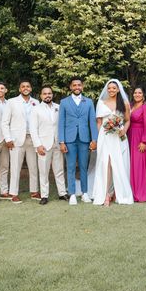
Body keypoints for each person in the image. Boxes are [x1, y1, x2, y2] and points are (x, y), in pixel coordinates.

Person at [92, 79, 133, 206]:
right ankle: (105, 195)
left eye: (113, 88)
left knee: (119, 164)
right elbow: (99, 122)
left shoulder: (124, 103)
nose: (111, 90)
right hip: (105, 137)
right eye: (109, 88)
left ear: (118, 89)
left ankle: (119, 193)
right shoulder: (101, 102)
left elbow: (127, 120)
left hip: (119, 137)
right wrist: (101, 137)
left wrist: (123, 131)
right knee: (106, 164)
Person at [57, 76, 98, 205]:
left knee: (83, 166)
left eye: (79, 85)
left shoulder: (89, 102)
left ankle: (85, 193)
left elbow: (92, 122)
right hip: (69, 139)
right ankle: (72, 194)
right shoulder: (64, 102)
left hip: (85, 139)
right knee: (70, 167)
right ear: (70, 87)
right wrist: (61, 141)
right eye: (74, 85)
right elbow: (61, 123)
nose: (77, 87)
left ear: (82, 86)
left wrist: (94, 139)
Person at [2, 79, 40, 203]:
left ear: (31, 88)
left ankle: (34, 191)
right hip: (16, 140)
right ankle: (13, 193)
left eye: (27, 86)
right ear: (19, 89)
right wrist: (8, 139)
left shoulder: (36, 102)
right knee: (15, 167)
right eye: (23, 86)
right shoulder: (12, 102)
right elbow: (5, 122)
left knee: (33, 167)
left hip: (32, 139)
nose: (25, 88)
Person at [29, 86, 69, 205]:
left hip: (57, 143)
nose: (47, 95)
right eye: (45, 94)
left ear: (52, 95)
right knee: (44, 171)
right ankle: (44, 195)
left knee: (59, 169)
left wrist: (62, 141)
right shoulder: (36, 109)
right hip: (43, 145)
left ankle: (62, 193)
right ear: (41, 96)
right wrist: (38, 145)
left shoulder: (59, 107)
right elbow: (33, 129)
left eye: (49, 93)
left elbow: (63, 125)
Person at [128, 87, 146, 202]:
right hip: (130, 136)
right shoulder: (130, 106)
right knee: (131, 164)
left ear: (143, 95)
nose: (137, 94)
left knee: (139, 165)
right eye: (135, 92)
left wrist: (144, 141)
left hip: (140, 138)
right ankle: (131, 191)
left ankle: (141, 192)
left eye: (140, 93)